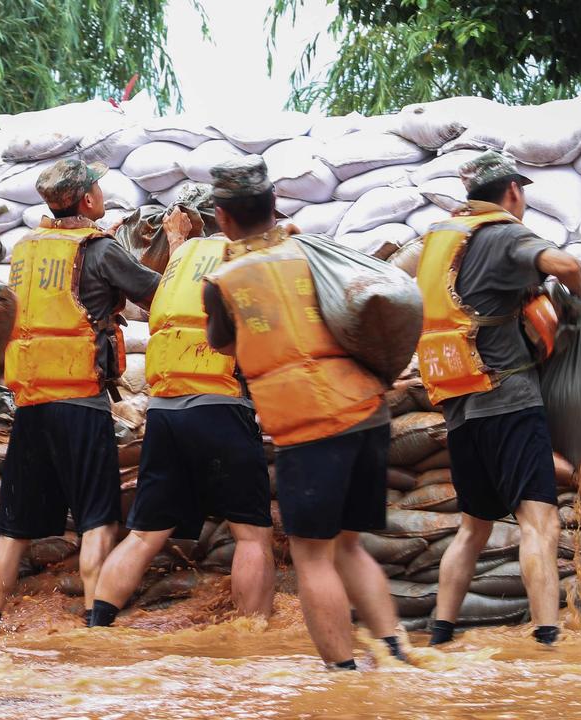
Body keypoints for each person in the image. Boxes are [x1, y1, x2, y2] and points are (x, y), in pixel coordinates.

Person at [202, 156, 406, 670]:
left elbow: (222, 345)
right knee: (349, 547)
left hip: (310, 425)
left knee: (313, 555)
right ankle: (397, 655)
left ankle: (343, 676)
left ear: (223, 218)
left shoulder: (222, 280)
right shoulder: (313, 251)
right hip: (366, 408)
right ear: (274, 205)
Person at [0, 158, 161, 633]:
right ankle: (93, 621)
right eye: (98, 188)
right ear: (87, 200)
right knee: (97, 517)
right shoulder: (98, 248)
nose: (101, 194)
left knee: (14, 528)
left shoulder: (24, 249)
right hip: (80, 404)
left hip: (30, 404)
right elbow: (154, 293)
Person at [417, 151, 581, 647]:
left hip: (460, 405)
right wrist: (578, 305)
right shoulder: (504, 231)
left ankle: (440, 634)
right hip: (509, 400)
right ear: (513, 190)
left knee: (473, 528)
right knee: (540, 521)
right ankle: (547, 637)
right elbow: (566, 263)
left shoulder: (442, 239)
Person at [89, 204, 275, 627]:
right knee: (251, 535)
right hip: (220, 405)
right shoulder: (248, 254)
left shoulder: (182, 259)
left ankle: (96, 625)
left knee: (144, 534)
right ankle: (254, 638)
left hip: (165, 409)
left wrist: (176, 237)